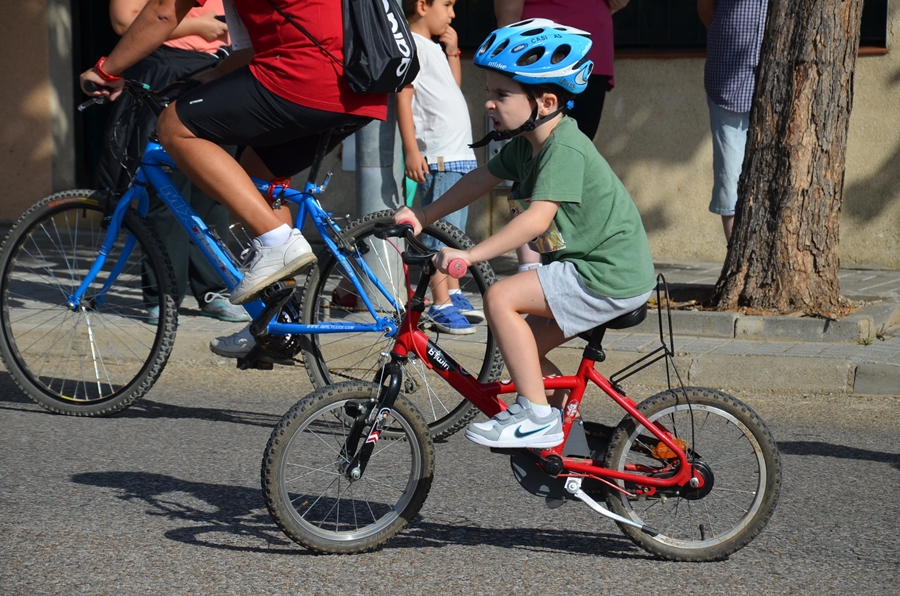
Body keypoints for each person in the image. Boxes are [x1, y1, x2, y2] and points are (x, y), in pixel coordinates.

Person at [393, 20, 656, 448]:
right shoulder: (527, 145)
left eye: (502, 95)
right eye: (488, 94)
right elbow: (478, 181)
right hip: (591, 269)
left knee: (500, 296)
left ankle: (537, 416)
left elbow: (535, 221)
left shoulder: (563, 148)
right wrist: (423, 214)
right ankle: (572, 449)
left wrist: (471, 256)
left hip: (605, 274)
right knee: (524, 354)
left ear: (546, 100)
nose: (489, 105)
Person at [79, 0, 386, 316]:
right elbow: (253, 44)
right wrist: (216, 74)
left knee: (172, 125)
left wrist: (106, 70)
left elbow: (163, 10)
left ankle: (277, 240)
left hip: (304, 74)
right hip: (361, 86)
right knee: (256, 177)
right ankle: (277, 319)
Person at [97, 0, 250, 325]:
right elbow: (126, 22)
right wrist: (196, 26)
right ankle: (163, 295)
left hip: (220, 70)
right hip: (167, 69)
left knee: (215, 187)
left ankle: (215, 290)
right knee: (165, 191)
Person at [495, 0, 630, 276]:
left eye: (497, 95)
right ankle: (536, 264)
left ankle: (545, 263)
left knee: (559, 162)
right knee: (531, 161)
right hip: (544, 51)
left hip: (573, 50)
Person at [396, 0, 483, 334]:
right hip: (440, 156)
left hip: (458, 154)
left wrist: (453, 52)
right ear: (422, 5)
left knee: (453, 234)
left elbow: (451, 88)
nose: (452, 14)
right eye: (447, 4)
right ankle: (438, 303)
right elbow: (404, 96)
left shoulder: (431, 47)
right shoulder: (411, 46)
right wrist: (411, 149)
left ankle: (454, 292)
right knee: (438, 237)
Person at [697, 0, 768, 243]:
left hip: (781, 83)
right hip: (728, 77)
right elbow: (706, 7)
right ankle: (737, 257)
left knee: (775, 178)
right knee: (730, 176)